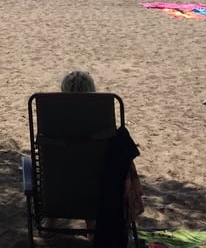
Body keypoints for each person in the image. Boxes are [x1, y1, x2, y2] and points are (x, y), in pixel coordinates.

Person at [59, 71, 145, 231]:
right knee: (88, 171)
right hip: (102, 191)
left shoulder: (54, 121)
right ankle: (92, 227)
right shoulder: (101, 122)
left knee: (66, 169)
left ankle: (50, 221)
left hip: (58, 191)